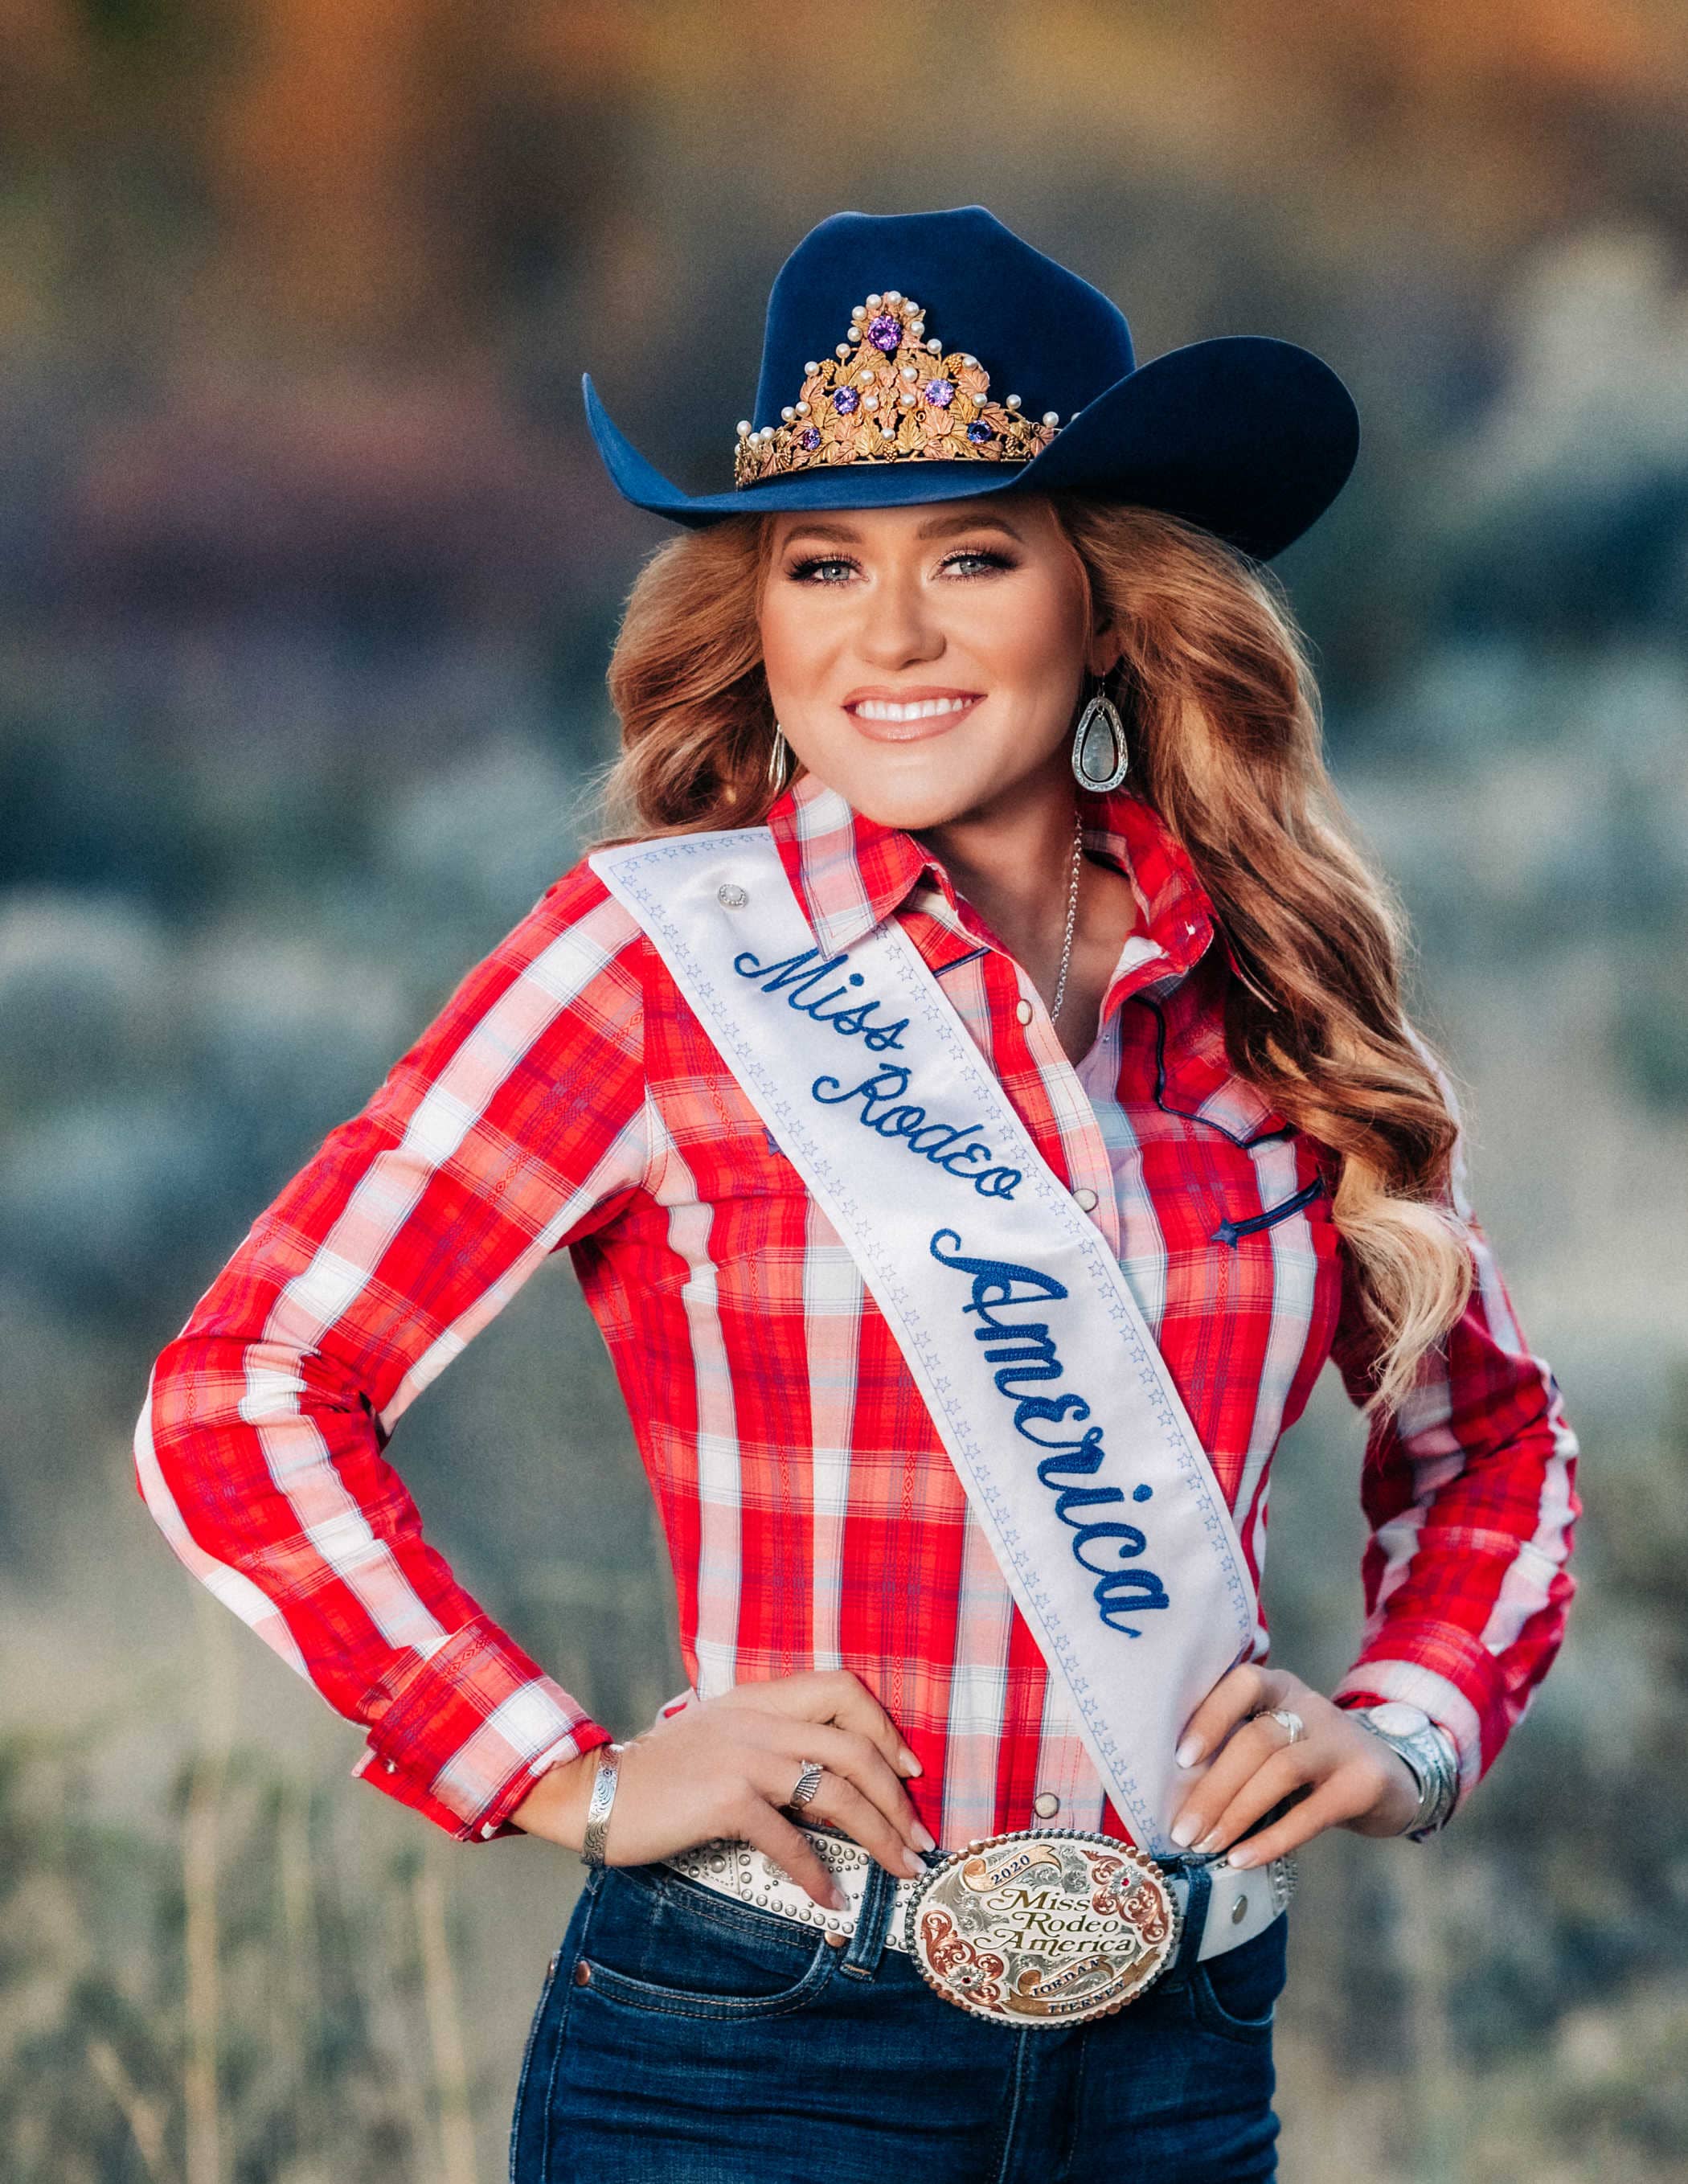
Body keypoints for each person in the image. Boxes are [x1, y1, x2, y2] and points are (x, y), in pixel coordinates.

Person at [133, 207, 1580, 2182]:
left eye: (971, 554)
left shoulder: (1266, 989)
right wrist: (562, 1768)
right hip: (759, 2044)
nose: (887, 638)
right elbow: (246, 1389)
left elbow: (1490, 1441)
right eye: (824, 565)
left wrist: (1414, 1729)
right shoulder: (657, 964)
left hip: (1174, 2054)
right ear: (765, 614)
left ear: (1106, 603)